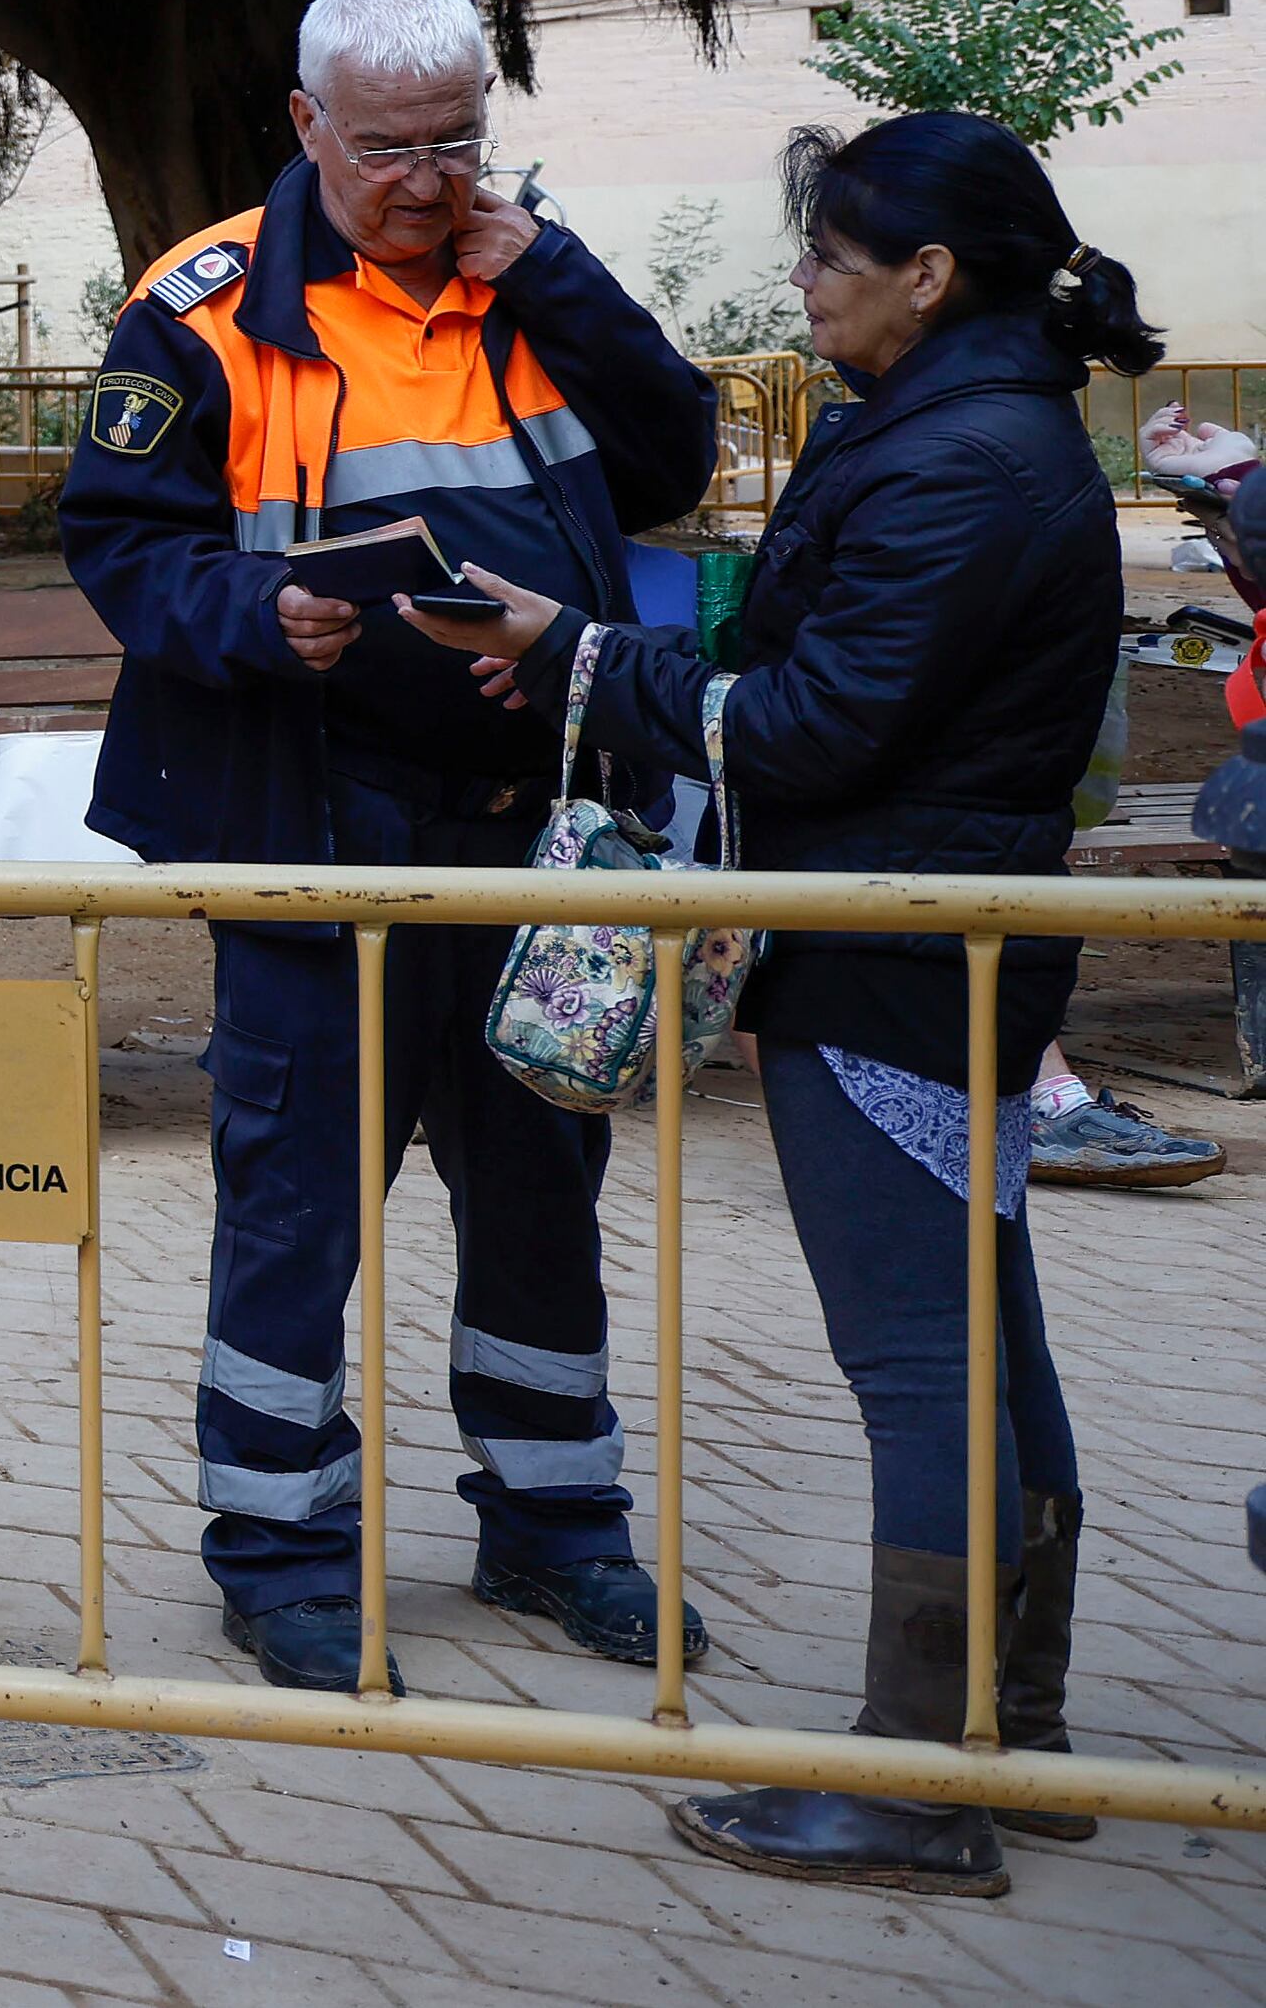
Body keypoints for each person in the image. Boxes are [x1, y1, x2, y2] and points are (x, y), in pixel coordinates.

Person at [403, 116, 1154, 1896]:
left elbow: (812, 718)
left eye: (827, 253)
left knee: (927, 1365)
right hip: (927, 940)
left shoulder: (959, 456)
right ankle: (1007, 1736)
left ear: (929, 275)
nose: (801, 281)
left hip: (897, 951)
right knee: (981, 1341)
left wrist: (578, 654)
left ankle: (920, 1776)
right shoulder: (966, 427)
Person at [55, 0, 718, 1696]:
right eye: (388, 152)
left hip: (536, 832)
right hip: (316, 830)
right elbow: (122, 544)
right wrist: (252, 613)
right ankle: (279, 1554)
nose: (429, 183)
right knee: (295, 1206)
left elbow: (671, 458)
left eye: (457, 143)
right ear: (307, 128)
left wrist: (557, 277)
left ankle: (556, 1526)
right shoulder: (201, 307)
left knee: (541, 1190)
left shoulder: (528, 273)